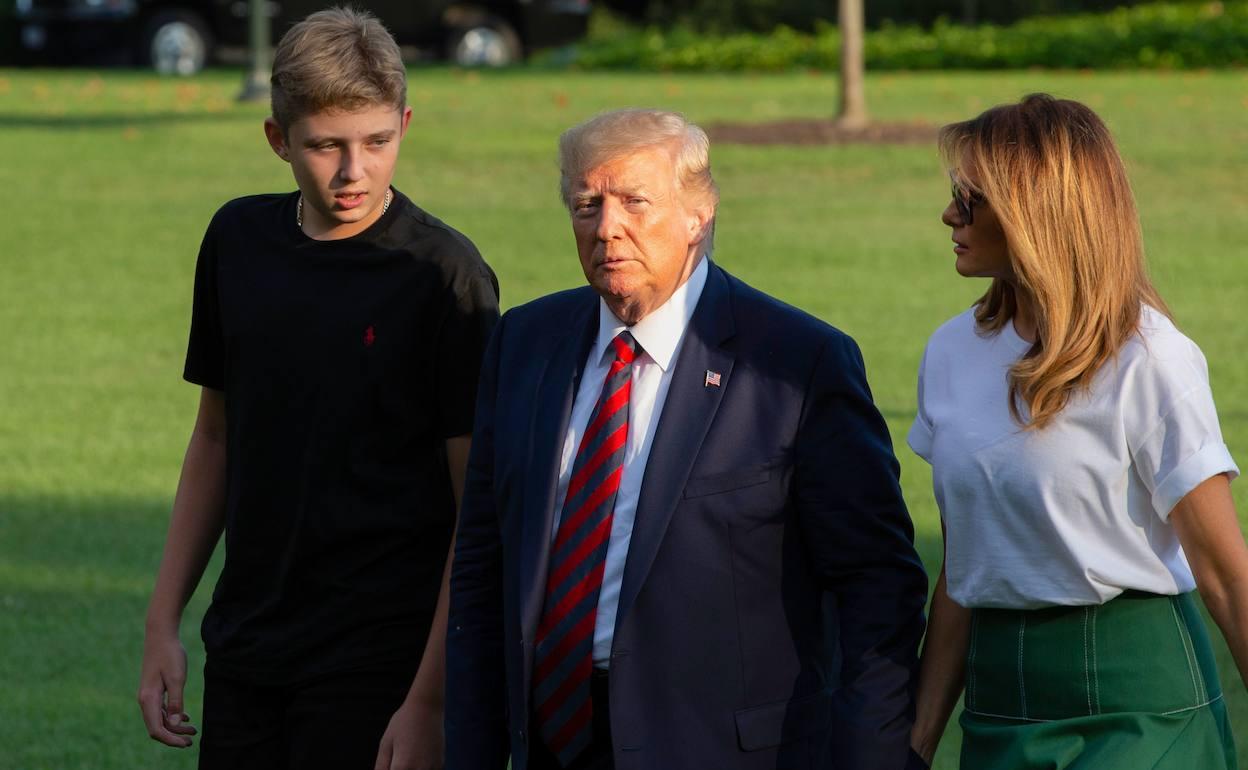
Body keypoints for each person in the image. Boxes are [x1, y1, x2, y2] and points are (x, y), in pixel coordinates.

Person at [445, 108, 929, 770]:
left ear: (698, 213)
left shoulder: (795, 363)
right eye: (587, 205)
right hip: (554, 743)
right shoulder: (525, 344)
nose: (606, 227)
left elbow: (878, 588)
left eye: (633, 203)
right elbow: (483, 562)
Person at [135, 8, 499, 769]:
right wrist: (163, 622)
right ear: (277, 139)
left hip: (380, 664)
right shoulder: (237, 241)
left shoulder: (446, 278)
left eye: (376, 142)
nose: (353, 172)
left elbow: (479, 514)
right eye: (325, 146)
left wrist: (429, 700)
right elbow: (215, 437)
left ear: (405, 122)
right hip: (247, 649)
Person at [907, 93, 1248, 769]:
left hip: (1140, 707)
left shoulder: (1149, 360)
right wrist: (915, 743)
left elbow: (1224, 575)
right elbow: (963, 571)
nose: (949, 214)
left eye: (968, 198)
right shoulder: (950, 352)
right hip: (1001, 707)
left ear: (1035, 212)